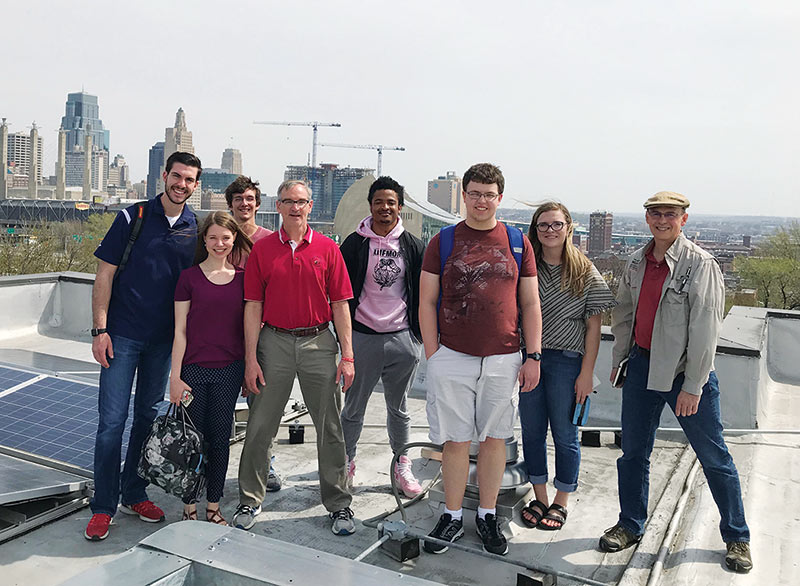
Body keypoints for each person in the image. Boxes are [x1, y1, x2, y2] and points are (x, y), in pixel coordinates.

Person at [600, 191, 752, 574]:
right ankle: (630, 524)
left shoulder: (700, 264)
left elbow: (705, 330)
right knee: (633, 452)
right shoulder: (637, 261)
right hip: (642, 368)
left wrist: (694, 386)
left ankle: (737, 536)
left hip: (684, 373)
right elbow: (623, 315)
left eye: (670, 214)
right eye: (655, 214)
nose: (662, 220)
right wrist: (621, 362)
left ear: (683, 220)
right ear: (647, 218)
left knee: (714, 456)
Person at [419, 163, 542, 556]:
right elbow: (425, 299)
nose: (481, 201)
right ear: (464, 196)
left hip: (504, 357)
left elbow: (530, 302)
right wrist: (433, 353)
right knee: (455, 441)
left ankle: (487, 515)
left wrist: (533, 354)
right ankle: (452, 515)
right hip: (452, 354)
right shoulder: (444, 240)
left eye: (489, 194)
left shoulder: (517, 241)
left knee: (492, 440)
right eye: (474, 193)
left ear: (499, 198)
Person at [85, 151, 202, 541]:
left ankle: (133, 493)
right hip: (121, 337)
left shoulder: (195, 228)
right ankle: (103, 505)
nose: (181, 184)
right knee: (111, 425)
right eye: (177, 176)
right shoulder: (131, 218)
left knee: (147, 420)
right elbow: (104, 275)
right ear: (164, 176)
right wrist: (99, 330)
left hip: (163, 342)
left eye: (189, 179)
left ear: (196, 186)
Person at [233, 180, 357, 536]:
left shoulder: (328, 248)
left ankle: (338, 504)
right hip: (274, 342)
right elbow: (252, 305)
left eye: (300, 202)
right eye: (288, 201)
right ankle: (250, 498)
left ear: (310, 206)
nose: (294, 208)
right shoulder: (264, 250)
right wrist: (250, 358)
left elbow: (340, 305)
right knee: (260, 425)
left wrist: (347, 355)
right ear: (279, 205)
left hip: (318, 342)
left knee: (330, 427)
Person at [518, 202, 616, 530]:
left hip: (567, 361)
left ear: (568, 228)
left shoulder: (584, 270)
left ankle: (561, 499)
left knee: (565, 433)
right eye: (543, 225)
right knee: (532, 431)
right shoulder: (525, 265)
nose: (550, 230)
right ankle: (539, 495)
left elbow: (594, 326)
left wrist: (587, 373)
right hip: (530, 358)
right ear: (535, 229)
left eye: (556, 224)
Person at [338, 176, 425, 497]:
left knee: (398, 408)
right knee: (353, 407)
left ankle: (402, 465)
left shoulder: (413, 246)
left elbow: (424, 293)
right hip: (363, 337)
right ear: (370, 206)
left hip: (402, 338)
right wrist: (345, 341)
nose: (384, 208)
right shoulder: (354, 243)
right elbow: (340, 293)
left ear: (399, 207)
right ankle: (346, 463)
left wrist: (417, 339)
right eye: (378, 202)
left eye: (391, 202)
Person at [169, 212, 252, 525]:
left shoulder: (244, 278)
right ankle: (189, 504)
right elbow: (179, 332)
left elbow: (247, 329)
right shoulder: (188, 278)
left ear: (234, 240)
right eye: (213, 237)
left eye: (226, 238)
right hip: (193, 372)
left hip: (229, 372)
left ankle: (213, 505)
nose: (220, 243)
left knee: (219, 440)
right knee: (192, 439)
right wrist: (174, 377)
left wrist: (247, 368)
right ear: (204, 240)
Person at [224, 175, 281, 492]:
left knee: (264, 405)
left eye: (249, 199)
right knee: (219, 403)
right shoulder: (220, 237)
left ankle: (265, 465)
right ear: (230, 204)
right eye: (238, 199)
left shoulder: (270, 242)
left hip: (263, 334)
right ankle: (209, 464)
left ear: (257, 204)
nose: (244, 204)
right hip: (224, 333)